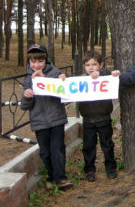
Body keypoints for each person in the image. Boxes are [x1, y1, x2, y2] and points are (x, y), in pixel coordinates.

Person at [21, 44, 73, 190]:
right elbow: (25, 106)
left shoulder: (56, 74)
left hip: (56, 119)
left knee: (57, 149)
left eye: (40, 61)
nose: (36, 65)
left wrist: (50, 81)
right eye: (33, 62)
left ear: (46, 61)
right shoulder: (27, 80)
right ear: (29, 62)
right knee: (45, 152)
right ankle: (51, 177)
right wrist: (27, 96)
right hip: (39, 122)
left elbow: (66, 97)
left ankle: (61, 179)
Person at [77, 50, 117, 182]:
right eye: (88, 65)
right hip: (88, 120)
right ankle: (89, 169)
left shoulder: (104, 76)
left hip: (104, 118)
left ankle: (111, 167)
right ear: (84, 66)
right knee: (89, 146)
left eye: (94, 64)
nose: (91, 67)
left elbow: (111, 75)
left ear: (100, 65)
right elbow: (69, 89)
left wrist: (103, 74)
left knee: (107, 144)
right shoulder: (80, 80)